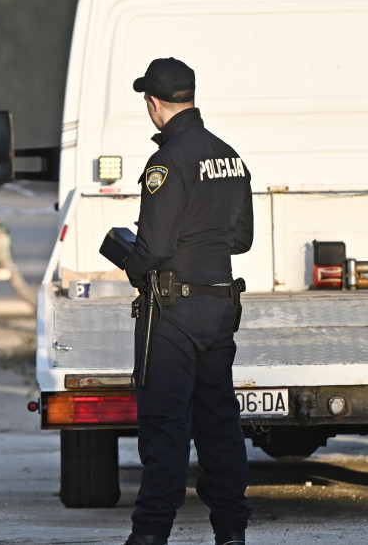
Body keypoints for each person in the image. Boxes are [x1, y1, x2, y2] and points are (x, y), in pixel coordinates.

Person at [121, 58, 254, 545]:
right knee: (220, 423)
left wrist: (131, 263)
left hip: (172, 314)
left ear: (154, 104)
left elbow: (152, 248)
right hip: (219, 309)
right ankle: (231, 532)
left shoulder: (167, 161)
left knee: (165, 425)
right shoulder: (230, 156)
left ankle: (150, 535)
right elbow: (242, 239)